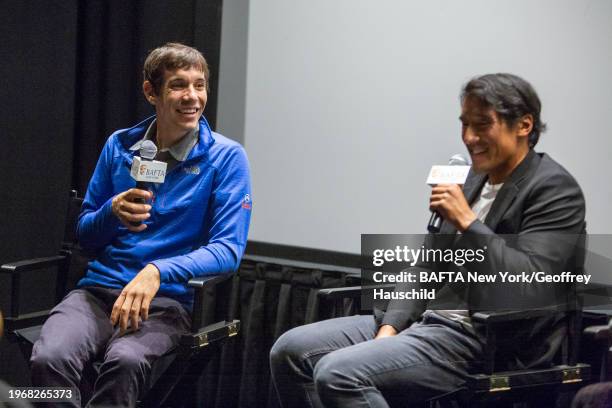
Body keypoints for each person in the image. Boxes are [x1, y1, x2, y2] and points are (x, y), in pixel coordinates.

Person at [270, 73, 586, 407]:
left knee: (338, 373)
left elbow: (529, 282)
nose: (469, 137)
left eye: (482, 125)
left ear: (523, 125)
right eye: (464, 124)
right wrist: (389, 330)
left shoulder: (554, 189)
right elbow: (426, 266)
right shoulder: (471, 180)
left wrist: (467, 221)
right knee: (290, 351)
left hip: (485, 338)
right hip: (427, 320)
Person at [30, 43, 252, 407]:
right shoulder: (120, 145)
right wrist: (110, 213)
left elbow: (227, 251)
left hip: (165, 303)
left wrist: (156, 272)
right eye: (179, 85)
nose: (193, 97)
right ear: (151, 92)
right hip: (98, 293)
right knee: (47, 358)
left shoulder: (227, 158)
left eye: (200, 85)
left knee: (125, 362)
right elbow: (85, 235)